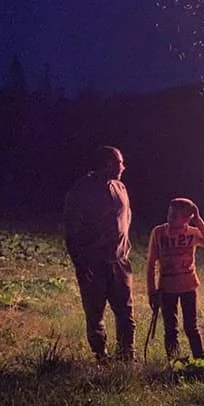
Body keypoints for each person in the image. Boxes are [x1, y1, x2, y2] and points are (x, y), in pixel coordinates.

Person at [63, 145, 136, 361]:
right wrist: (80, 263)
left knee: (126, 312)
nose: (123, 167)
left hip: (119, 261)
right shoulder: (81, 191)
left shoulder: (120, 187)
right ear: (107, 164)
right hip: (93, 263)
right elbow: (71, 230)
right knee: (95, 313)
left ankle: (126, 356)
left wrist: (123, 250)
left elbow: (127, 217)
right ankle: (101, 356)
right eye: (120, 162)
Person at [146, 197, 204, 360]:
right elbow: (151, 263)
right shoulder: (159, 232)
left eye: (175, 216)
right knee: (170, 328)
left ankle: (200, 360)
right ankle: (174, 361)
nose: (170, 218)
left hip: (189, 286)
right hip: (166, 288)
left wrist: (198, 220)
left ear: (187, 218)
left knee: (191, 326)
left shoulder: (192, 233)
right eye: (170, 214)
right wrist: (151, 291)